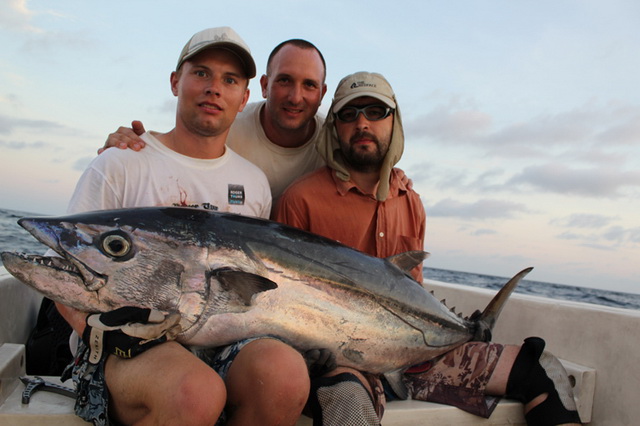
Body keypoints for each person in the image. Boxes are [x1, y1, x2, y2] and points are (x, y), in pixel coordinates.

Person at [274, 71, 582, 426]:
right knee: (344, 400)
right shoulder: (301, 199)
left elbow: (412, 290)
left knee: (542, 371)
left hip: (418, 355)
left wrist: (467, 331)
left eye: (375, 112)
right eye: (348, 114)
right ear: (334, 127)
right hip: (347, 361)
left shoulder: (410, 201)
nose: (362, 123)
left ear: (394, 121)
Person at [55, 27, 310, 425]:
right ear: (176, 82)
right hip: (126, 344)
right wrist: (92, 330)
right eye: (202, 73)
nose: (214, 89)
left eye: (229, 80)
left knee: (285, 376)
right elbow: (67, 261)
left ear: (244, 97)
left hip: (223, 339)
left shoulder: (254, 182)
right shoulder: (121, 161)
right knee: (194, 393)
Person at [102, 38, 328, 201]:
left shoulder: (335, 142)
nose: (295, 97)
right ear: (264, 86)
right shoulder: (226, 124)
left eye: (309, 85)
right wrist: (131, 150)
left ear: (322, 94)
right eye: (284, 80)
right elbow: (182, 146)